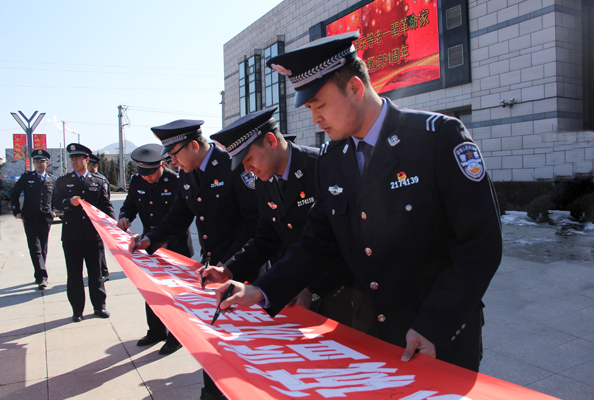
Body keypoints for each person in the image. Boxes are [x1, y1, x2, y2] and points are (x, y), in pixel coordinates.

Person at [214, 32, 503, 372]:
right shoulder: (332, 159)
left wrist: (435, 324)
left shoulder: (436, 138)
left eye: (319, 105)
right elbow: (317, 244)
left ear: (354, 88)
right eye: (310, 109)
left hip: (437, 337)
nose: (315, 119)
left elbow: (479, 244)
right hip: (372, 333)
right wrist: (260, 291)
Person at [128, 119, 259, 399]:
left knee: (241, 343)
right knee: (215, 339)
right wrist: (150, 239)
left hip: (243, 269)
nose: (172, 162)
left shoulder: (233, 165)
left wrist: (230, 265)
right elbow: (179, 214)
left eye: (175, 155)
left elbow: (254, 223)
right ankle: (213, 392)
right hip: (212, 271)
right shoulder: (188, 173)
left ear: (195, 146)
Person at [202, 106, 352, 324]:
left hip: (340, 294)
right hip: (293, 290)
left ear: (271, 141)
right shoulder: (264, 181)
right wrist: (228, 269)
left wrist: (312, 288)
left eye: (249, 159)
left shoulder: (321, 167)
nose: (247, 170)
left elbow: (343, 242)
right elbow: (266, 238)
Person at [117, 143, 194, 356]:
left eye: (150, 173)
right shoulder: (137, 181)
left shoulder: (176, 181)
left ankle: (176, 336)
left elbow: (183, 216)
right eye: (143, 173)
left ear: (161, 165)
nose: (147, 178)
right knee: (151, 292)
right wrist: (124, 217)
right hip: (150, 247)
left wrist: (165, 240)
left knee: (175, 295)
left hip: (176, 248)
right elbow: (130, 204)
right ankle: (156, 331)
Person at [53, 143, 116, 322]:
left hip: (92, 236)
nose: (74, 162)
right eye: (72, 159)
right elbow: (55, 203)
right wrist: (68, 202)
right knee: (74, 274)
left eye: (77, 159)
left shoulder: (98, 181)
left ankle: (99, 306)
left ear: (86, 160)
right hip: (71, 236)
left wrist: (115, 226)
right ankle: (77, 310)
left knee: (96, 273)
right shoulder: (63, 181)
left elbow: (106, 206)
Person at [10, 149, 57, 290]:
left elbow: (56, 197)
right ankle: (42, 277)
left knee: (43, 247)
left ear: (46, 163)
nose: (38, 164)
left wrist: (54, 211)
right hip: (29, 217)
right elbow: (14, 193)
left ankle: (39, 273)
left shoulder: (52, 179)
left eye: (41, 162)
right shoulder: (27, 177)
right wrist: (16, 211)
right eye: (36, 162)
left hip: (45, 217)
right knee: (34, 246)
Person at [88, 153, 111, 282]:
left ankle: (104, 271)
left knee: (99, 247)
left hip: (98, 219)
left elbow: (106, 201)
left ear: (94, 165)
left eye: (88, 164)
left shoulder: (101, 180)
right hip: (88, 219)